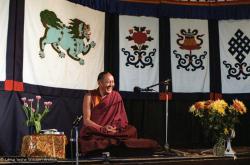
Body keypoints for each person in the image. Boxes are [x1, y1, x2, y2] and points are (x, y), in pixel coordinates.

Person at [79, 71, 160, 155]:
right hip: (97, 130)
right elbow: (86, 121)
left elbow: (121, 119)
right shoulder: (89, 96)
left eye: (112, 82)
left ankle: (111, 137)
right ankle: (110, 139)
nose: (111, 85)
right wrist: (102, 128)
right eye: (108, 82)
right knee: (90, 133)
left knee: (132, 129)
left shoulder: (116, 96)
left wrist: (115, 127)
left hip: (111, 130)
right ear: (99, 83)